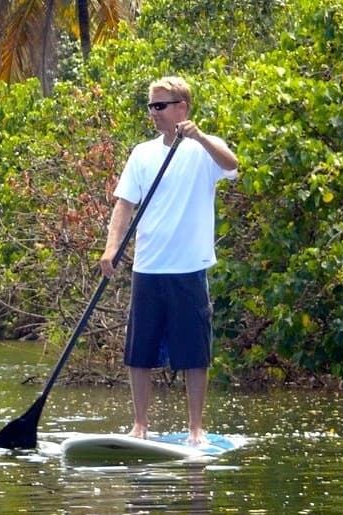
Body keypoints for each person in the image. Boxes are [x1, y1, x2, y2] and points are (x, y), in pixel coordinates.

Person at [99, 76, 239, 446]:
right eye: (151, 106)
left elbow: (232, 164)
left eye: (160, 106)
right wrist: (112, 249)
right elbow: (124, 205)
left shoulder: (205, 150)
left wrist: (199, 138)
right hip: (148, 266)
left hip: (189, 267)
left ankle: (196, 428)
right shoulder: (142, 154)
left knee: (194, 353)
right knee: (139, 351)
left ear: (182, 107)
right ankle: (140, 425)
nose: (153, 113)